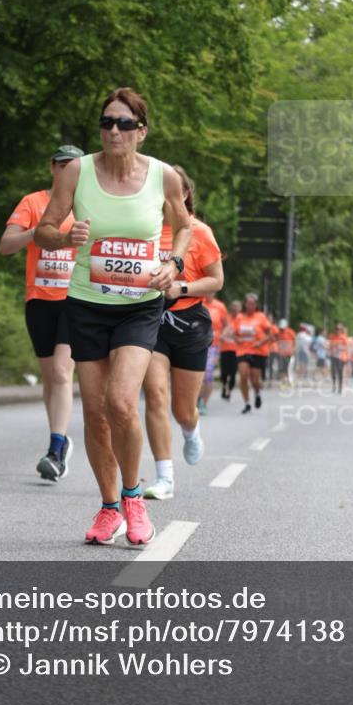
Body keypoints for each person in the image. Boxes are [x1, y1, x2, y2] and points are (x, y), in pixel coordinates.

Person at [34, 88, 191, 547]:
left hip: (139, 305)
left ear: (141, 131)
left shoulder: (162, 176)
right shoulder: (78, 171)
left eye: (124, 123)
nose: (114, 131)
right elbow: (44, 230)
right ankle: (108, 508)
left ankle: (133, 498)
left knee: (121, 402)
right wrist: (64, 238)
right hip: (86, 303)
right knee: (96, 412)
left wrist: (174, 263)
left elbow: (184, 226)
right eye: (107, 122)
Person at [0, 145, 84, 481]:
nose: (66, 171)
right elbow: (5, 246)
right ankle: (59, 439)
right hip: (39, 299)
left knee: (62, 372)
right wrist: (37, 232)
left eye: (73, 166)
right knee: (50, 376)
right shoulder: (33, 202)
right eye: (61, 165)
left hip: (75, 299)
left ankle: (55, 449)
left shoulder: (88, 205)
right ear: (52, 168)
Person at [142, 166, 223, 500]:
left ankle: (191, 431)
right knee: (155, 393)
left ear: (184, 193)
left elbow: (216, 280)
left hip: (189, 322)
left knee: (183, 410)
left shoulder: (198, 231)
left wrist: (182, 288)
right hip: (151, 319)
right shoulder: (144, 228)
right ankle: (165, 478)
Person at [233, 293, 272, 414]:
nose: (250, 306)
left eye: (253, 304)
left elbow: (269, 335)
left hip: (257, 351)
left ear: (256, 305)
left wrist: (260, 343)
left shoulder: (261, 317)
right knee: (243, 375)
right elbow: (234, 333)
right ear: (245, 304)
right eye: (248, 304)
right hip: (243, 350)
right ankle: (247, 403)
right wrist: (237, 339)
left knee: (255, 379)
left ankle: (257, 393)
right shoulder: (240, 317)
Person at [198, 294, 228, 413]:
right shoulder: (199, 302)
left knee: (208, 375)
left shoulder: (220, 306)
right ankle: (197, 399)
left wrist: (222, 335)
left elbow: (227, 326)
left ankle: (203, 403)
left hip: (213, 345)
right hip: (197, 343)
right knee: (198, 374)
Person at [219, 300, 240, 399]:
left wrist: (235, 336)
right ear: (230, 308)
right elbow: (221, 331)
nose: (235, 308)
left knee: (233, 373)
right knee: (224, 372)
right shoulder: (226, 318)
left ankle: (229, 390)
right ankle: (224, 387)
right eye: (233, 306)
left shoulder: (242, 319)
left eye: (237, 307)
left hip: (237, 351)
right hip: (225, 349)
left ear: (240, 308)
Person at [329, 322, 349, 394]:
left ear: (341, 330)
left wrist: (340, 347)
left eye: (339, 329)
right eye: (336, 329)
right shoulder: (332, 336)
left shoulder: (343, 337)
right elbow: (330, 346)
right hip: (333, 356)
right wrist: (331, 350)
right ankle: (334, 385)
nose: (338, 330)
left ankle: (340, 387)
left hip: (341, 357)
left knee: (340, 371)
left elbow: (347, 347)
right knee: (333, 371)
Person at [276, 318, 296, 387]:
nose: (282, 329)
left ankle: (289, 381)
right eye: (281, 328)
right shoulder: (278, 332)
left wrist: (294, 349)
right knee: (281, 368)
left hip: (289, 353)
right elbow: (277, 342)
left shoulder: (290, 332)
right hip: (281, 354)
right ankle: (283, 382)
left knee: (288, 368)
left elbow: (294, 341)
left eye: (283, 328)